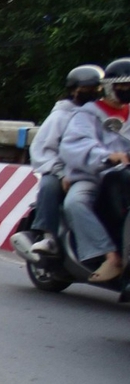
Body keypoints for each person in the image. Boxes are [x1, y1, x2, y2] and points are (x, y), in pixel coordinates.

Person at [58, 60, 130, 282]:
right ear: (109, 86)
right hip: (93, 175)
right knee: (74, 203)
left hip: (125, 176)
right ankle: (110, 256)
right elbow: (75, 145)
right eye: (122, 86)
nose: (126, 90)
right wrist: (107, 156)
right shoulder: (88, 114)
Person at [26, 65, 94, 250]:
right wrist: (61, 173)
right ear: (73, 90)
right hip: (62, 171)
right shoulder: (61, 116)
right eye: (86, 88)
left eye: (95, 89)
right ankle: (48, 236)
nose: (92, 93)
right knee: (49, 185)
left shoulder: (103, 116)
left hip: (94, 171)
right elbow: (44, 149)